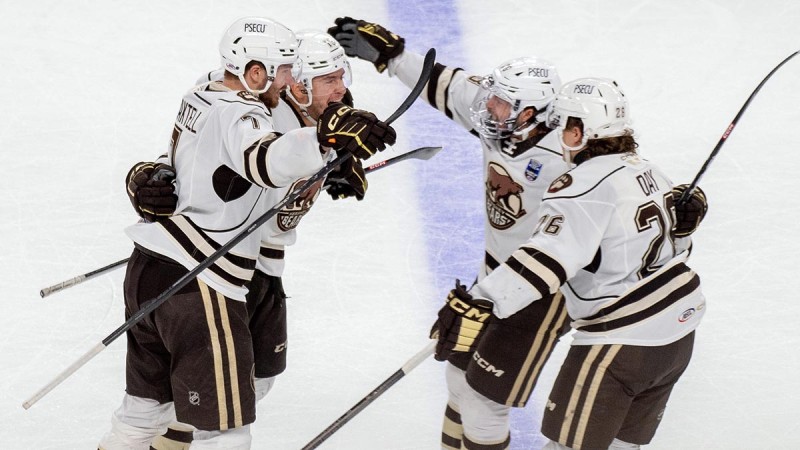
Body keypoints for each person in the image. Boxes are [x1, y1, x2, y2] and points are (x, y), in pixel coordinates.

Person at [100, 17, 395, 450]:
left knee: (217, 391)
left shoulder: (227, 91)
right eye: (325, 79)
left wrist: (326, 164)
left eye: (340, 77)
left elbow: (213, 160)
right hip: (205, 270)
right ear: (289, 81)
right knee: (226, 424)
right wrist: (319, 146)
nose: (341, 90)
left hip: (200, 264)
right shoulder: (257, 111)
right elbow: (262, 157)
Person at [328, 17, 571, 449]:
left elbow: (611, 201)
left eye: (497, 103)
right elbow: (445, 84)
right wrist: (392, 56)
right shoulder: (506, 118)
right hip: (496, 275)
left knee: (483, 401)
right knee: (460, 378)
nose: (485, 107)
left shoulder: (568, 159)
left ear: (529, 114)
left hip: (547, 289)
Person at [432, 77, 708, 450]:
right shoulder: (650, 172)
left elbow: (548, 258)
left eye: (563, 125)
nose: (557, 134)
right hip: (677, 335)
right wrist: (685, 230)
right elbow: (670, 250)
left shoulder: (582, 185)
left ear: (579, 131)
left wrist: (482, 301)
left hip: (620, 341)